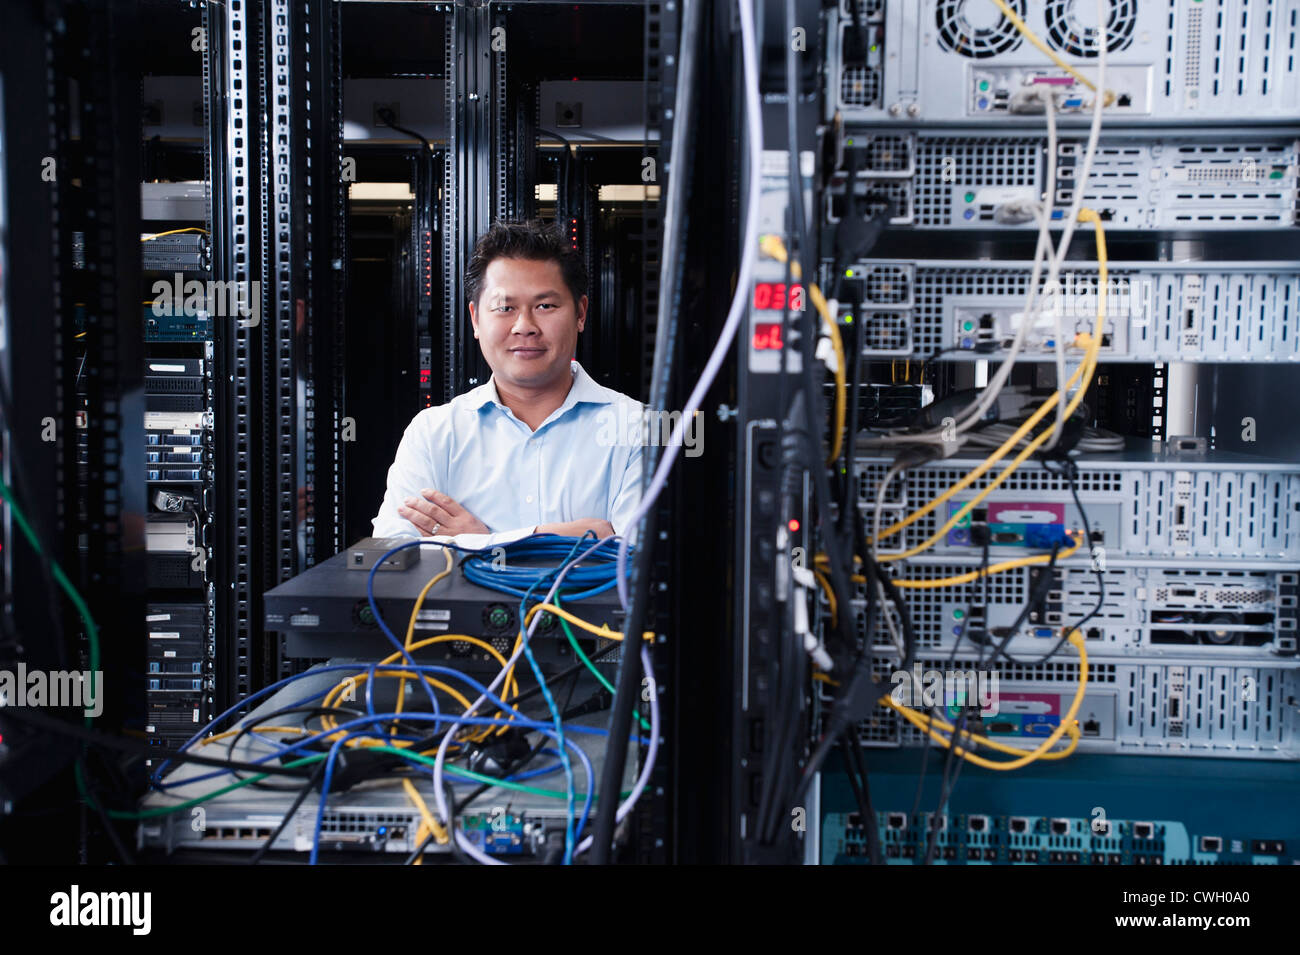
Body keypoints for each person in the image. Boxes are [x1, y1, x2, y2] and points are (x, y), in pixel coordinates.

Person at [371, 220, 643, 547]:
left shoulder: (638, 428)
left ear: (580, 313)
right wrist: (582, 537)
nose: (524, 326)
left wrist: (479, 542)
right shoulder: (433, 435)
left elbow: (638, 561)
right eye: (505, 307)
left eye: (545, 305)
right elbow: (393, 557)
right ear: (476, 319)